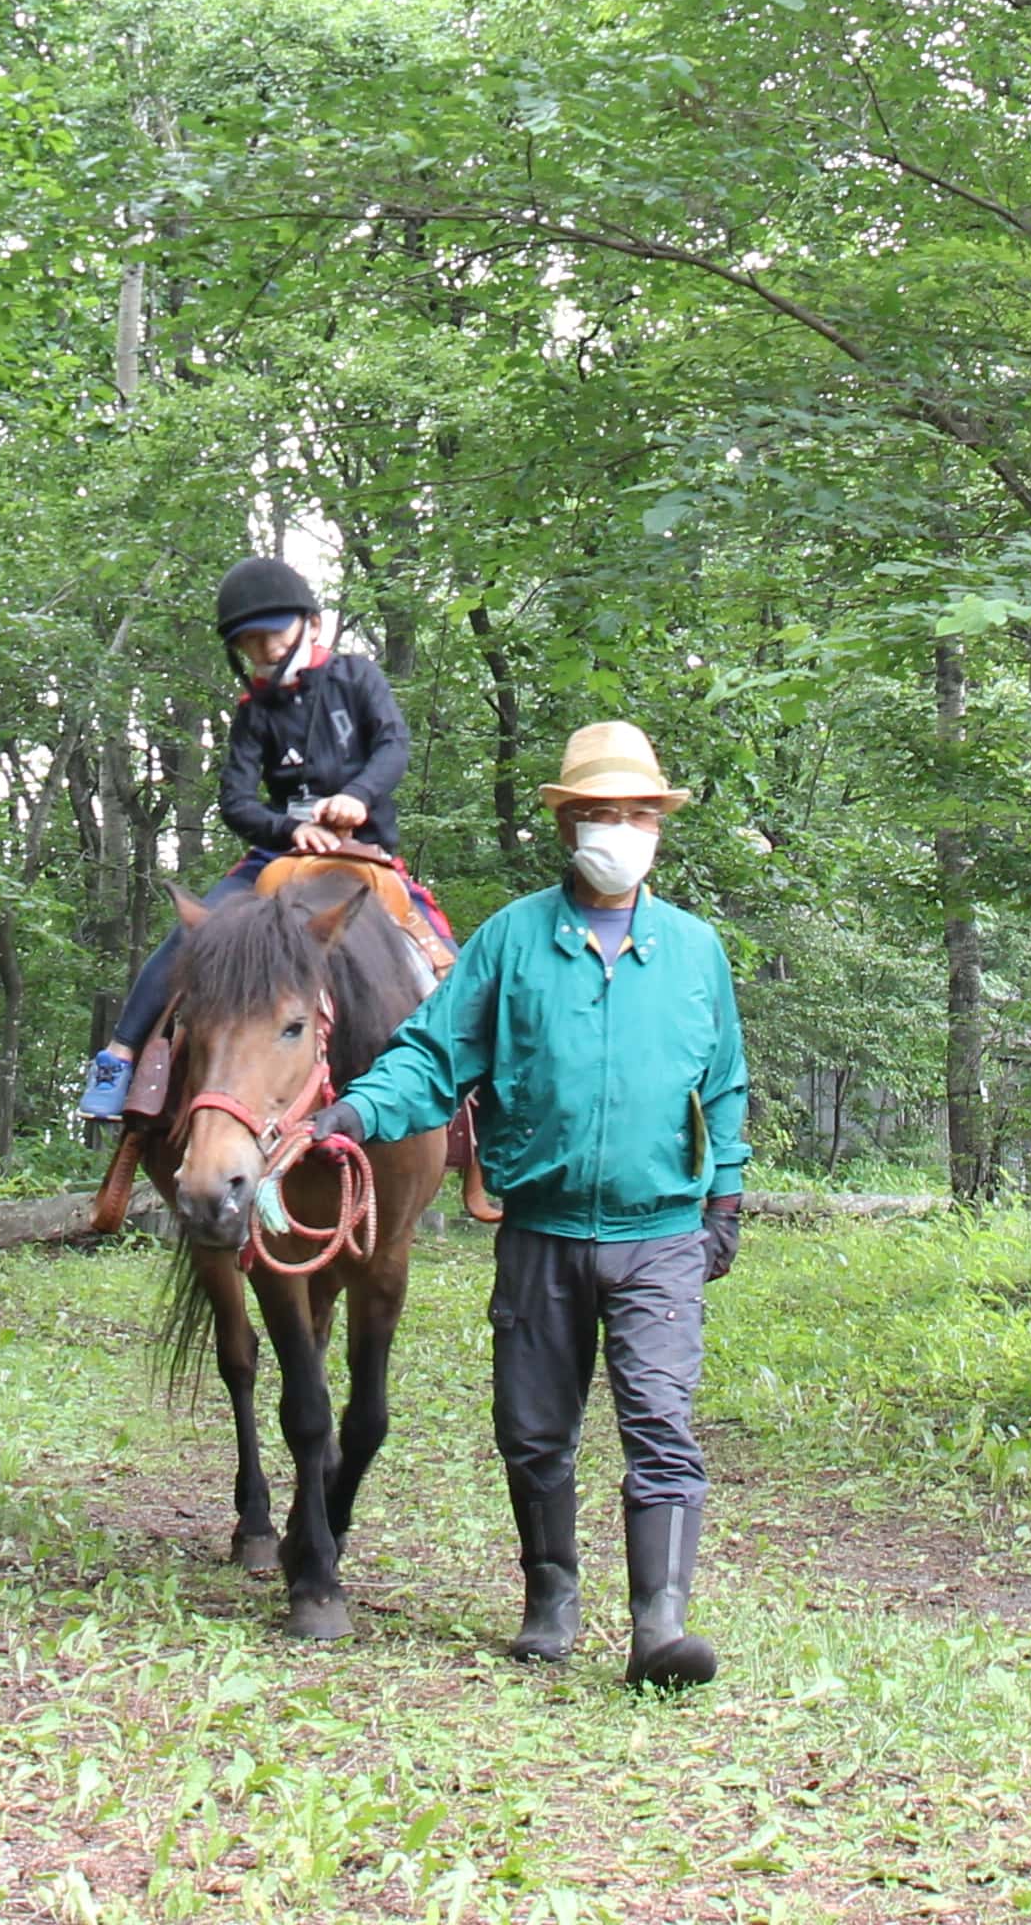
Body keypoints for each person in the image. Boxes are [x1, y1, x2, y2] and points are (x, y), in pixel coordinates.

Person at [315, 720, 747, 1689]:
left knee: (661, 1424)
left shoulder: (694, 952)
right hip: (542, 1230)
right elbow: (433, 1058)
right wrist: (350, 1111)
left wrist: (727, 1198)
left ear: (660, 828)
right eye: (598, 813)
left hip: (661, 1234)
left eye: (636, 813)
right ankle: (550, 1596)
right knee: (534, 1429)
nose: (618, 830)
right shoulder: (511, 941)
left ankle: (659, 1627)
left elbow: (724, 1082)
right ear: (566, 828)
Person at [75, 552, 410, 1125]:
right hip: (278, 855)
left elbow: (393, 744)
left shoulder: (357, 677)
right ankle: (121, 1056)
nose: (265, 650)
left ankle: (479, 1100)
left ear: (310, 624)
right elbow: (236, 801)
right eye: (249, 643)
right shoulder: (253, 712)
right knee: (197, 932)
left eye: (273, 634)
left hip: (367, 853)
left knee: (442, 956)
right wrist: (291, 828)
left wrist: (357, 794)